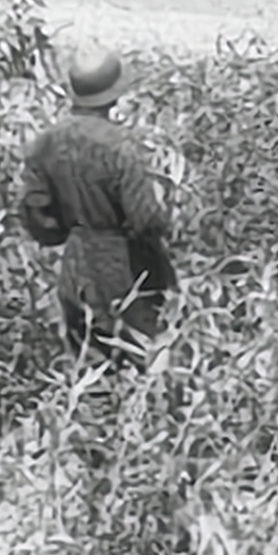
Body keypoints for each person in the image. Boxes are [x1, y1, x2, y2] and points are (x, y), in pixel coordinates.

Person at [17, 45, 176, 360]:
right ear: (114, 95)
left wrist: (70, 231)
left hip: (74, 266)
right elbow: (147, 221)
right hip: (122, 267)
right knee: (139, 360)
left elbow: (35, 215)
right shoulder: (120, 148)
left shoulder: (44, 143)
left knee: (89, 367)